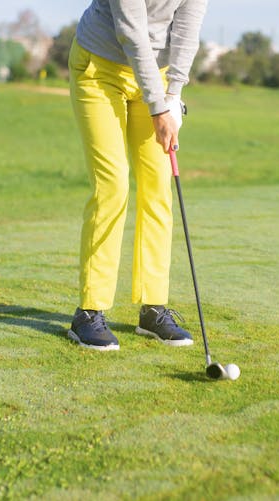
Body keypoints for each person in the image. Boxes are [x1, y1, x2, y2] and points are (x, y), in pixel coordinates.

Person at [66, 0, 208, 351]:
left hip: (154, 77)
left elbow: (187, 29)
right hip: (99, 68)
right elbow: (131, 30)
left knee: (158, 186)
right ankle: (89, 312)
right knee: (112, 186)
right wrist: (158, 106)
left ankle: (153, 308)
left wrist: (173, 95)